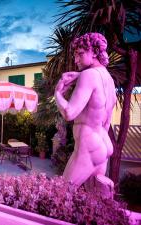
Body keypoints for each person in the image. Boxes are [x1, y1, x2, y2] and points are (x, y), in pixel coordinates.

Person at [54, 33, 117, 187]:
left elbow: (69, 112)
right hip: (104, 143)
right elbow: (106, 121)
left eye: (80, 54)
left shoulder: (88, 76)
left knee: (61, 194)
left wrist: (57, 93)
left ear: (95, 52)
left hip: (88, 146)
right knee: (94, 199)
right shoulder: (108, 79)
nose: (76, 60)